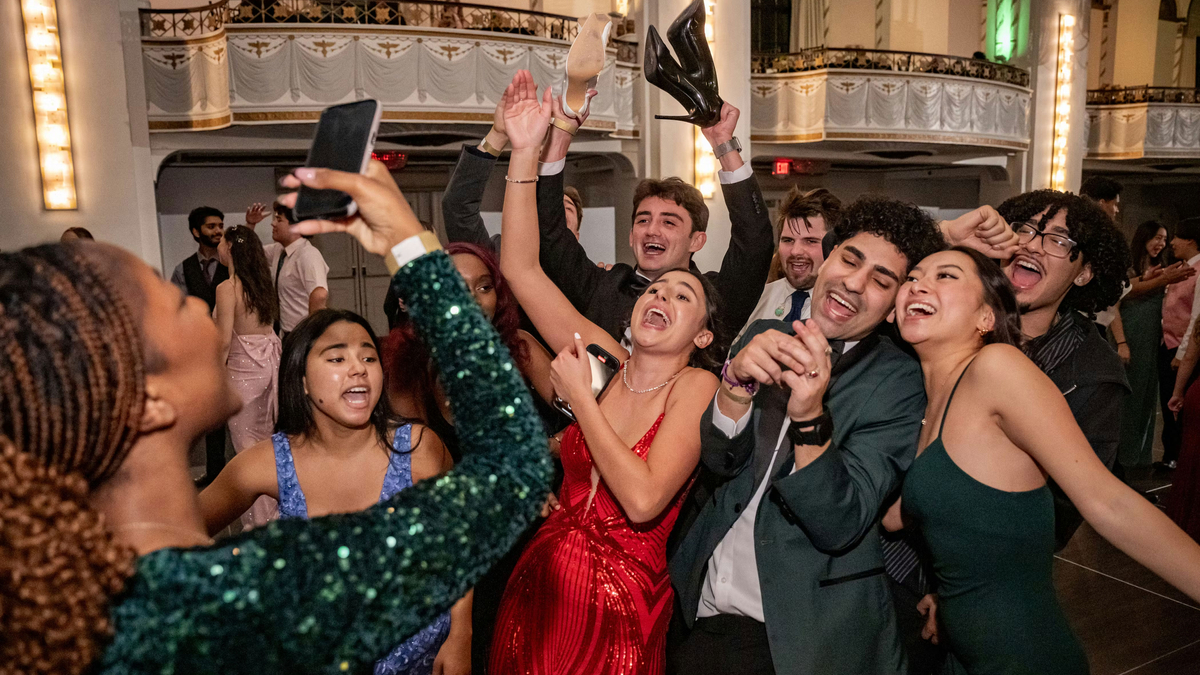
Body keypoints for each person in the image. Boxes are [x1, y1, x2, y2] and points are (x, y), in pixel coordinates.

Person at [0, 161, 552, 675]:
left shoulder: (81, 600)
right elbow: (514, 469)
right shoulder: (234, 603)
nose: (196, 304)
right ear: (148, 402)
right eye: (172, 303)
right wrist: (414, 251)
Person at [488, 70, 721, 675]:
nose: (661, 296)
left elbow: (643, 500)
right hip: (541, 584)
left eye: (683, 295)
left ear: (702, 335)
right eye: (656, 290)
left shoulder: (695, 388)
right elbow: (519, 266)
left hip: (620, 611)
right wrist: (524, 152)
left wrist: (580, 404)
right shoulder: (610, 366)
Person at [889, 246, 1200, 674]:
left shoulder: (996, 368)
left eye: (945, 276)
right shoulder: (933, 404)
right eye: (913, 277)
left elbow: (1108, 502)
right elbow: (910, 520)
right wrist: (956, 598)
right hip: (964, 654)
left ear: (986, 318)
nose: (918, 284)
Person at [668, 196, 947, 675]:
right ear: (827, 260)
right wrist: (733, 389)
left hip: (793, 633)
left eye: (881, 281)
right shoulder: (768, 328)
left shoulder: (899, 383)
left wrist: (810, 418)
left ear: (893, 307)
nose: (854, 284)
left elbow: (842, 522)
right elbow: (718, 462)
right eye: (849, 260)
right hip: (702, 602)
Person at [199, 309, 470, 675]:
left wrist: (461, 637)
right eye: (337, 357)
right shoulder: (267, 463)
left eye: (368, 357)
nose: (358, 368)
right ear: (303, 380)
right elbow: (176, 531)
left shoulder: (419, 448)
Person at [534, 84, 775, 345]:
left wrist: (723, 144)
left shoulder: (713, 299)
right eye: (643, 220)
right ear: (631, 236)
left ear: (697, 240)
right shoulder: (602, 286)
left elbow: (755, 242)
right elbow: (551, 232)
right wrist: (560, 134)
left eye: (669, 222)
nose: (651, 230)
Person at [996, 190, 1131, 548]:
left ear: (1084, 272)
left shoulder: (1092, 376)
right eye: (1025, 229)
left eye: (1059, 240)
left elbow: (1063, 510)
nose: (1033, 246)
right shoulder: (946, 321)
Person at [383, 241, 558, 458]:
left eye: (485, 287)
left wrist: (549, 446)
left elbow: (590, 419)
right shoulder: (409, 365)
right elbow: (412, 461)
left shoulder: (519, 346)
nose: (474, 300)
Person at [440, 91, 587, 250]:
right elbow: (458, 208)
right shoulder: (499, 257)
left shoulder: (587, 274)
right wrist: (498, 135)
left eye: (567, 207)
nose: (556, 211)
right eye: (547, 205)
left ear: (577, 236)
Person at [213, 225, 282, 528]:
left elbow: (224, 340)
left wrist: (213, 379)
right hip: (269, 369)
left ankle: (261, 524)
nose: (218, 246)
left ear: (229, 248)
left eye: (220, 241)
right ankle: (279, 514)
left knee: (247, 451)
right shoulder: (261, 285)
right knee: (268, 446)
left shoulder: (228, 288)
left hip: (243, 376)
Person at [1118, 221, 1194, 473]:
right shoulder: (1129, 265)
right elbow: (1118, 298)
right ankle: (1123, 457)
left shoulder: (1163, 268)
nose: (1162, 244)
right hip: (1132, 335)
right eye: (1157, 238)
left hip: (1155, 340)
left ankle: (1139, 458)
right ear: (1144, 238)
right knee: (1130, 395)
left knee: (1148, 399)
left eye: (1165, 238)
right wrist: (1121, 342)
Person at [170, 205, 231, 488]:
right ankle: (216, 472)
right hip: (203, 350)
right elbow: (177, 309)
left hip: (236, 345)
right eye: (211, 226)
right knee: (212, 411)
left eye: (220, 225)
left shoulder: (233, 264)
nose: (218, 230)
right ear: (196, 232)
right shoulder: (182, 269)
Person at [736, 187, 841, 342]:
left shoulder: (842, 309)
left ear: (833, 247)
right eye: (788, 240)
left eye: (810, 241)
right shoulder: (757, 298)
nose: (795, 251)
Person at [245, 200, 329, 336]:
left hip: (302, 334)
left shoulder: (308, 255)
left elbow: (319, 295)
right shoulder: (279, 250)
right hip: (285, 333)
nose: (273, 224)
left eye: (279, 220)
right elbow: (245, 250)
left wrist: (312, 335)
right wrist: (250, 225)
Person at [1157, 219, 1200, 472]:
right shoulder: (1181, 267)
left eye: (1176, 238)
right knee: (1167, 402)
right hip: (1168, 343)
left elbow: (1196, 319)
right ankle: (1171, 455)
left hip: (1183, 349)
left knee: (1178, 405)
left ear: (1191, 241)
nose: (1171, 243)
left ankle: (1179, 458)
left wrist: (1181, 354)